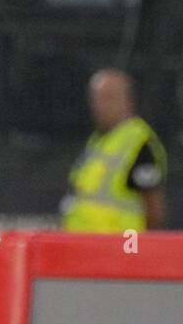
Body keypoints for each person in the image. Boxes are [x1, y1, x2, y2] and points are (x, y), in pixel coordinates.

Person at [61, 69, 167, 232]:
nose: (100, 105)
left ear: (128, 100)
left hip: (117, 249)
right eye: (96, 98)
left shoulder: (139, 142)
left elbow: (154, 210)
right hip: (84, 246)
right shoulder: (98, 140)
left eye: (108, 98)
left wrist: (140, 251)